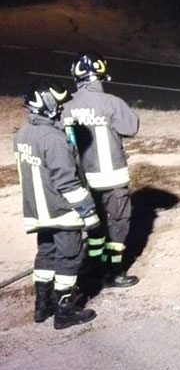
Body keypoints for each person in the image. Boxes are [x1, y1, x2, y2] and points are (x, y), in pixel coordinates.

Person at [15, 79, 100, 330]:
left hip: (38, 212)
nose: (61, 109)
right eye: (58, 104)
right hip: (62, 212)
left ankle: (42, 306)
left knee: (46, 254)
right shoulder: (53, 138)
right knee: (68, 259)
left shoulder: (22, 134)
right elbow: (67, 183)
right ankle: (65, 311)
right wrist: (89, 212)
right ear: (47, 104)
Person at [61, 51, 140, 289]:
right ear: (102, 73)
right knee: (118, 222)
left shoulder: (67, 107)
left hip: (82, 181)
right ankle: (114, 271)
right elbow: (131, 127)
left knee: (94, 225)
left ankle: (93, 270)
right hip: (113, 178)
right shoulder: (112, 103)